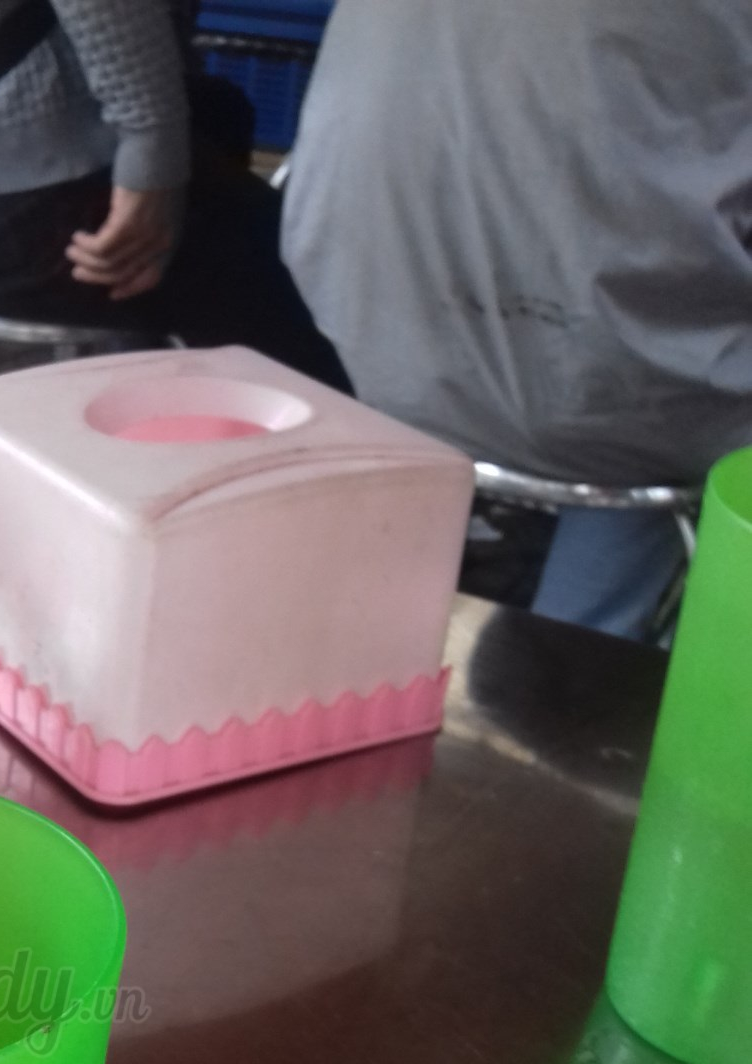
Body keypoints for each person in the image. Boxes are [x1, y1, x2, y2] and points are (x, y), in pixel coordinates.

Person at [282, 0, 752, 643]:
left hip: (365, 333)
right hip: (618, 404)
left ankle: (409, 639)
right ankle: (583, 653)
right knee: (641, 398)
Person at [0, 0, 349, 385]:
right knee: (316, 282)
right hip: (27, 201)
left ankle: (160, 381)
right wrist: (152, 167)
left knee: (220, 110)